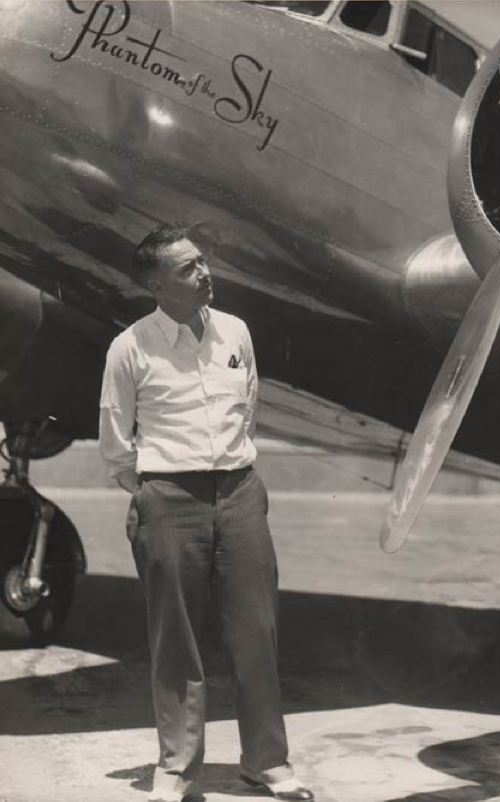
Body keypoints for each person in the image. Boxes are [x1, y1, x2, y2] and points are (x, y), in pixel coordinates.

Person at [99, 225, 313, 802]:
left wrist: (231, 478)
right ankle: (177, 773)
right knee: (177, 642)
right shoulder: (130, 348)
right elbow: (116, 445)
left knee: (256, 634)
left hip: (241, 495)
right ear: (157, 284)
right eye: (189, 268)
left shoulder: (236, 332)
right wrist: (155, 493)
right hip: (168, 499)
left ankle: (266, 763)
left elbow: (249, 406)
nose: (205, 273)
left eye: (202, 262)